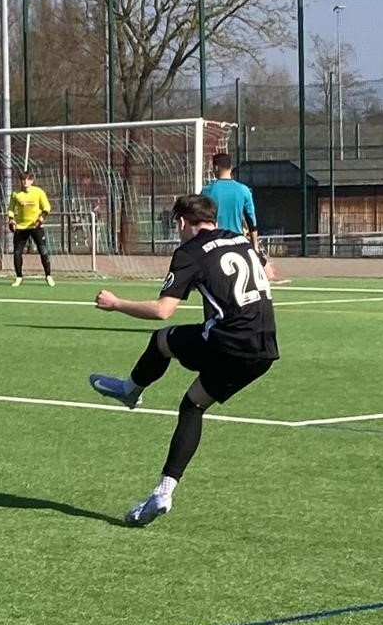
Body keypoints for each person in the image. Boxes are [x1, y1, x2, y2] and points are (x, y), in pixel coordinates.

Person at [87, 192, 279, 527]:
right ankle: (163, 491)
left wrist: (116, 304)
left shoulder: (189, 252)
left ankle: (130, 390)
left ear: (181, 222)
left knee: (161, 340)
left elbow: (163, 310)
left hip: (229, 341)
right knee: (193, 405)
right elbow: (268, 270)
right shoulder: (240, 239)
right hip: (264, 349)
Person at [201, 152, 286, 283]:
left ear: (216, 167)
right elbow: (251, 221)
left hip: (214, 243)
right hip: (237, 242)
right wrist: (255, 247)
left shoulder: (207, 191)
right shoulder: (243, 190)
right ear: (231, 167)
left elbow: (200, 220)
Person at [6, 170, 55, 287]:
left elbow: (47, 207)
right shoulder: (16, 194)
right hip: (21, 227)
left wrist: (42, 217)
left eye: (27, 179)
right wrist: (11, 219)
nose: (25, 182)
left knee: (43, 250)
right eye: (23, 179)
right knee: (17, 252)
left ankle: (48, 275)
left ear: (32, 181)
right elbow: (11, 209)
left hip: (35, 226)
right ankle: (19, 277)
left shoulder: (39, 192)